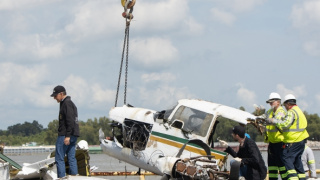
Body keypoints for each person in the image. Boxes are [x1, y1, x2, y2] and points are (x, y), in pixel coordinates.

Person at [264, 94, 309, 180]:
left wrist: (274, 121)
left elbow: (285, 124)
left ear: (287, 104)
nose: (285, 107)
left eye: (272, 102)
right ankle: (302, 178)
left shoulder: (289, 112)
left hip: (291, 140)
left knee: (286, 159)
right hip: (296, 140)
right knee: (296, 161)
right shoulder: (299, 111)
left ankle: (292, 178)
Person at [51, 85, 80, 178]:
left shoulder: (66, 103)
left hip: (65, 135)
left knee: (59, 158)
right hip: (73, 134)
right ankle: (74, 176)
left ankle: (61, 178)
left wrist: (67, 136)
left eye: (55, 96)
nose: (54, 98)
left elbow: (70, 120)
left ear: (61, 94)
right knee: (71, 157)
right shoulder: (70, 103)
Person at [265, 92, 287, 179]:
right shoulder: (269, 111)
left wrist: (267, 119)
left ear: (278, 102)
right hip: (271, 143)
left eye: (272, 102)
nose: (270, 104)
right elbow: (264, 118)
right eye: (269, 102)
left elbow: (276, 120)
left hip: (280, 142)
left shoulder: (281, 111)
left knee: (282, 165)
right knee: (272, 165)